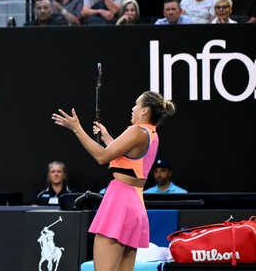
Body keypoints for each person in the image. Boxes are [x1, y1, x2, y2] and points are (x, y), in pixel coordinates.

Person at [51, 91, 176, 271]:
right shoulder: (152, 134)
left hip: (120, 202)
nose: (133, 108)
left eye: (136, 104)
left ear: (144, 111)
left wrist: (77, 128)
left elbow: (102, 156)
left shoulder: (136, 131)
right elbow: (126, 158)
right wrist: (107, 137)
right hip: (135, 206)